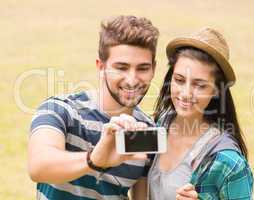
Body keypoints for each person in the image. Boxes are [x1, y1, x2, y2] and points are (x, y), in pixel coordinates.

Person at [28, 15, 159, 200]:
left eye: (143, 68)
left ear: (153, 69)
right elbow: (38, 167)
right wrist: (94, 160)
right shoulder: (60, 110)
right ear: (101, 66)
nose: (132, 79)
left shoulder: (147, 130)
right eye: (121, 67)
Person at [148, 27, 254, 200]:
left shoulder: (228, 161)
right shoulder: (161, 123)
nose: (185, 93)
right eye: (179, 80)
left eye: (199, 85)